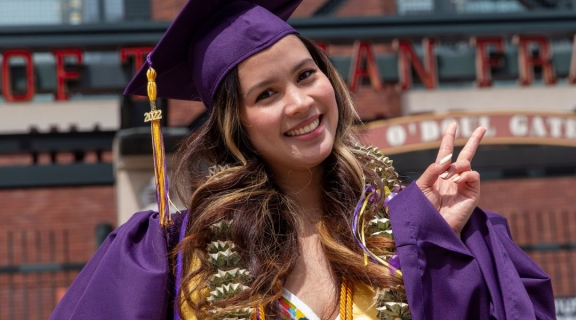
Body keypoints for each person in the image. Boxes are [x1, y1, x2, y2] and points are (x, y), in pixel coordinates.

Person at [49, 0, 555, 319]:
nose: (300, 103)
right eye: (266, 94)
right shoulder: (173, 254)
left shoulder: (405, 229)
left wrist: (435, 243)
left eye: (306, 75)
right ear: (236, 123)